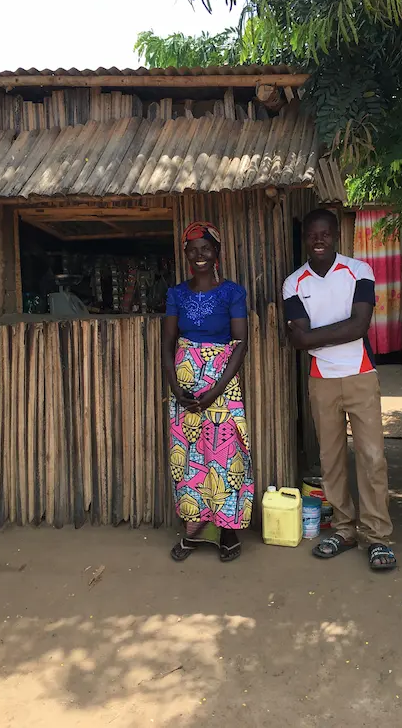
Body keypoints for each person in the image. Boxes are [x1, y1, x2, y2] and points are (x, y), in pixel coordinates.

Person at [283, 209, 397, 571]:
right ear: (306, 239)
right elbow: (303, 342)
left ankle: (377, 536)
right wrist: (337, 331)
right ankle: (345, 529)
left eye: (325, 234)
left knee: (372, 457)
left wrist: (312, 337)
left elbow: (360, 326)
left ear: (336, 236)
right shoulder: (293, 283)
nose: (319, 240)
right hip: (322, 380)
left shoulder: (359, 271)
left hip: (360, 374)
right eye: (312, 235)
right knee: (331, 459)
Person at [164, 221, 253, 563]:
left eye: (206, 248)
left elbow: (240, 344)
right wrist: (175, 387)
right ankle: (192, 530)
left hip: (222, 383)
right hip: (185, 384)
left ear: (216, 252)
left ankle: (228, 530)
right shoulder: (177, 294)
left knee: (225, 455)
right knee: (187, 457)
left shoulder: (232, 293)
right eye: (193, 249)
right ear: (185, 254)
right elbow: (167, 343)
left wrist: (216, 391)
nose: (199, 255)